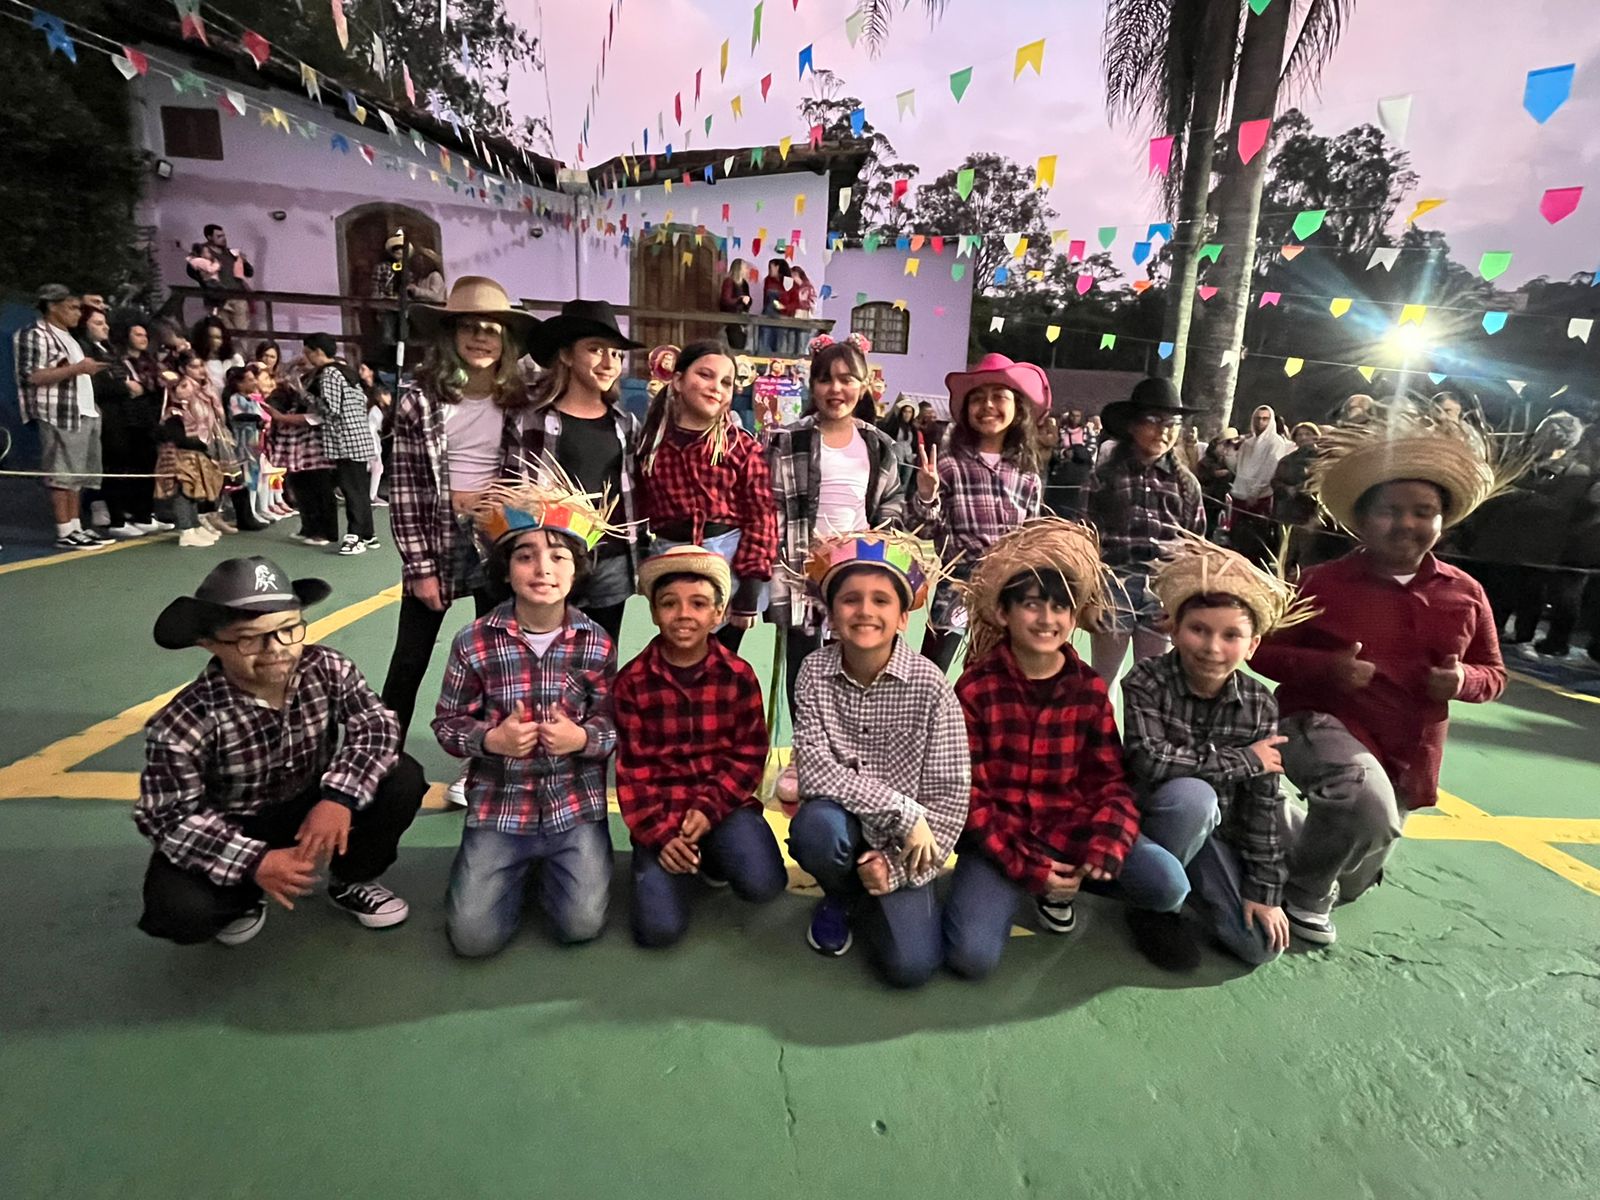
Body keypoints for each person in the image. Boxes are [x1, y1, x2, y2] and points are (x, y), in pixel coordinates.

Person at [1252, 409, 1514, 946]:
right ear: (1362, 519)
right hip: (1319, 722)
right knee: (1364, 808)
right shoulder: (1320, 582)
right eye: (1390, 511)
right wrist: (1329, 670)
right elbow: (1262, 653)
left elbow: (1494, 673)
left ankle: (1264, 815)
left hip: (1409, 747)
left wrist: (1463, 681)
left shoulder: (1466, 592)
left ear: (1443, 519)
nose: (1406, 524)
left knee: (1354, 880)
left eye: (1423, 512)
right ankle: (1302, 896)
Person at [942, 518, 1200, 977]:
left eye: (1059, 606)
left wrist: (1106, 846)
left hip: (1072, 826)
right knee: (971, 957)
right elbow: (970, 798)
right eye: (1032, 605)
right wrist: (1028, 868)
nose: (1047, 619)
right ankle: (1037, 887)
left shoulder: (1088, 688)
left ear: (1074, 615)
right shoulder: (976, 689)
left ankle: (1071, 886)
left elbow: (1111, 782)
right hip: (1005, 836)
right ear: (1003, 613)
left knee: (1168, 885)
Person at [134, 557, 424, 946]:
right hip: (236, 820)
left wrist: (339, 797)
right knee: (178, 908)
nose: (276, 649)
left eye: (288, 629)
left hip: (312, 796)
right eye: (249, 638)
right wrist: (254, 861)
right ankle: (244, 895)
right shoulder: (183, 721)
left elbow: (375, 724)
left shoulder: (326, 667)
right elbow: (168, 816)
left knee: (402, 777)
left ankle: (351, 878)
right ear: (209, 643)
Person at [434, 473, 622, 957]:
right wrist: (490, 740)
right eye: (525, 556)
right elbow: (448, 724)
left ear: (576, 571)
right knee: (473, 939)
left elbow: (614, 724)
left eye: (558, 557)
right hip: (501, 806)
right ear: (506, 569)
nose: (543, 569)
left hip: (573, 806)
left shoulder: (596, 643)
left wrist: (583, 739)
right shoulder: (473, 641)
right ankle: (512, 873)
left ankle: (549, 870)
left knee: (580, 925)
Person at [1121, 534, 1318, 966]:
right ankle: (1153, 906)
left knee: (1259, 945)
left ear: (1252, 645)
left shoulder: (1260, 704)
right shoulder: (1147, 680)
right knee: (1194, 798)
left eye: (1231, 635)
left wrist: (1264, 889)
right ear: (1174, 629)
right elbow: (1150, 760)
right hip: (1151, 823)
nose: (1212, 648)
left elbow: (1263, 802)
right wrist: (1245, 760)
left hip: (1217, 832)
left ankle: (1189, 884)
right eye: (1199, 630)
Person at [786, 530, 970, 987]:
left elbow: (950, 796)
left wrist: (897, 868)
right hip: (848, 826)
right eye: (850, 600)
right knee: (816, 829)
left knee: (912, 967)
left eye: (881, 600)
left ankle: (880, 891)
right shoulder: (813, 672)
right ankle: (842, 892)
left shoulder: (931, 687)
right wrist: (903, 811)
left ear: (903, 617)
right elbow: (815, 772)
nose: (865, 611)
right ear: (832, 614)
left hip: (903, 846)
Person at [382, 277, 539, 779]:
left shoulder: (520, 400)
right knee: (409, 658)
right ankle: (380, 755)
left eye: (492, 330)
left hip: (495, 535)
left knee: (497, 659)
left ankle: (484, 759)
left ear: (505, 341)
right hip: (437, 533)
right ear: (451, 335)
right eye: (470, 327)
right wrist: (420, 568)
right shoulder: (419, 402)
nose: (480, 338)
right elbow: (405, 490)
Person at [612, 546, 788, 947]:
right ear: (654, 613)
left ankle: (711, 857)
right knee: (658, 932)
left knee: (764, 883)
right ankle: (673, 860)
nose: (684, 614)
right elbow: (633, 772)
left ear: (718, 614)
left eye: (698, 603)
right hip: (661, 813)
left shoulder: (738, 676)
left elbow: (748, 755)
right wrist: (661, 836)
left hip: (721, 807)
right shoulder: (632, 683)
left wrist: (709, 809)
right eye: (669, 604)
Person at [766, 333, 906, 708]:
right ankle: (807, 741)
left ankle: (849, 741)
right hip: (801, 574)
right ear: (812, 385)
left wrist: (876, 538)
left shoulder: (878, 444)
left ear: (863, 385)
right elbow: (770, 506)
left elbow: (891, 503)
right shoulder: (786, 439)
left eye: (847, 379)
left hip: (857, 572)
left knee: (857, 669)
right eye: (825, 379)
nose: (836, 389)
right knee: (804, 674)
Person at [637, 340, 778, 653]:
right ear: (678, 380)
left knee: (720, 661)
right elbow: (641, 507)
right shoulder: (651, 445)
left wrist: (749, 592)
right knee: (677, 654)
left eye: (726, 382)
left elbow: (762, 518)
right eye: (705, 375)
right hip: (670, 561)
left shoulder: (741, 447)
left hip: (728, 564)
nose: (716, 387)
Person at [908, 353, 1046, 672]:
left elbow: (1031, 536)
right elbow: (924, 530)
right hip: (958, 582)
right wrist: (927, 495)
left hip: (1008, 586)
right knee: (932, 667)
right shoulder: (949, 466)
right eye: (978, 398)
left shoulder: (1027, 474)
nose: (988, 406)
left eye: (999, 396)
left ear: (1018, 408)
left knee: (994, 672)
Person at [521, 299, 647, 640]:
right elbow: (519, 491)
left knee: (604, 653)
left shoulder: (626, 425)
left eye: (616, 354)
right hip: (552, 561)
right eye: (595, 349)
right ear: (566, 355)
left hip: (611, 562)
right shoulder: (533, 421)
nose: (609, 362)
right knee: (546, 650)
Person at [1087, 377, 1206, 687]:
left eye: (1172, 423)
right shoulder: (1104, 476)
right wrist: (1090, 595)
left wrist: (1182, 602)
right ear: (1131, 425)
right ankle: (1102, 721)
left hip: (1163, 592)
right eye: (1153, 420)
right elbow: (1087, 538)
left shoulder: (1186, 484)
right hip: (1113, 586)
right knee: (1102, 679)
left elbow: (1195, 546)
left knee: (1152, 682)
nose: (1163, 430)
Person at [13, 285, 110, 548]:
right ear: (52, 306)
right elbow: (32, 376)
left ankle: (76, 526)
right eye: (72, 307)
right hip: (58, 414)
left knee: (78, 475)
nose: (78, 313)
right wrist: (78, 368)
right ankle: (64, 529)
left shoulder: (69, 336)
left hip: (84, 411)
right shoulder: (35, 334)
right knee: (61, 474)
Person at [303, 332, 379, 556]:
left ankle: (355, 536)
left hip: (344, 439)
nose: (307, 358)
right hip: (359, 437)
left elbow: (331, 408)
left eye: (308, 353)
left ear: (318, 352)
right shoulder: (347, 372)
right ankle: (368, 534)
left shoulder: (329, 374)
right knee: (360, 488)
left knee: (350, 489)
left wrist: (305, 396)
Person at [98, 318, 168, 537]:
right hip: (123, 420)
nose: (143, 338)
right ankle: (119, 518)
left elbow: (155, 388)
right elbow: (121, 388)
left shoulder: (151, 363)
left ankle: (144, 515)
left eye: (145, 335)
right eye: (138, 334)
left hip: (147, 421)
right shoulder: (116, 360)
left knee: (146, 468)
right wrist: (131, 388)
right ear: (126, 336)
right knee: (121, 470)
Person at [263, 352, 337, 544]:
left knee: (318, 485)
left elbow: (319, 414)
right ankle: (308, 528)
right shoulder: (291, 383)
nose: (302, 366)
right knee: (299, 484)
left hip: (314, 439)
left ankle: (324, 532)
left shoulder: (323, 380)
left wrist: (283, 417)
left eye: (307, 359)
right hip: (294, 438)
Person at [154, 370, 227, 548]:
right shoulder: (172, 412)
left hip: (191, 457)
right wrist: (200, 445)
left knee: (193, 493)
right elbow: (178, 438)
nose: (191, 387)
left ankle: (194, 524)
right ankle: (186, 529)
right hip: (178, 458)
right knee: (183, 492)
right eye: (183, 386)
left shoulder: (188, 410)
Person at [1229, 404, 1295, 565]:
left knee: (1257, 539)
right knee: (1237, 537)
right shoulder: (1247, 443)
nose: (1261, 422)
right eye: (1258, 418)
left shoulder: (1275, 442)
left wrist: (1255, 492)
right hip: (1240, 495)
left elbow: (1269, 470)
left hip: (1260, 498)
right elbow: (1239, 469)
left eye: (1265, 419)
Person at [186, 223, 254, 330]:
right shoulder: (203, 253)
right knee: (223, 331)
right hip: (218, 300)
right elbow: (192, 271)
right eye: (219, 236)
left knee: (242, 331)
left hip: (238, 297)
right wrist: (208, 284)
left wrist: (244, 262)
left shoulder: (230, 253)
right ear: (209, 237)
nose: (223, 239)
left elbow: (249, 272)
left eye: (223, 235)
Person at [191, 316, 244, 397]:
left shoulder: (235, 359)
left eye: (217, 338)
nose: (214, 341)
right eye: (210, 337)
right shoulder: (195, 360)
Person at [718, 257, 753, 349]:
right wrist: (740, 300)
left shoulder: (744, 284)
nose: (747, 270)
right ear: (739, 269)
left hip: (742, 318)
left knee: (743, 344)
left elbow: (747, 299)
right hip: (731, 318)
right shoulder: (729, 282)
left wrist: (748, 301)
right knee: (736, 344)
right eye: (745, 267)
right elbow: (726, 300)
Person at [759, 259, 792, 355]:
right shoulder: (768, 280)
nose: (769, 270)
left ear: (777, 267)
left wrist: (785, 307)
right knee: (765, 340)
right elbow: (765, 299)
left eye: (771, 267)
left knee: (780, 344)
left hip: (782, 316)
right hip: (768, 314)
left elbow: (792, 300)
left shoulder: (788, 281)